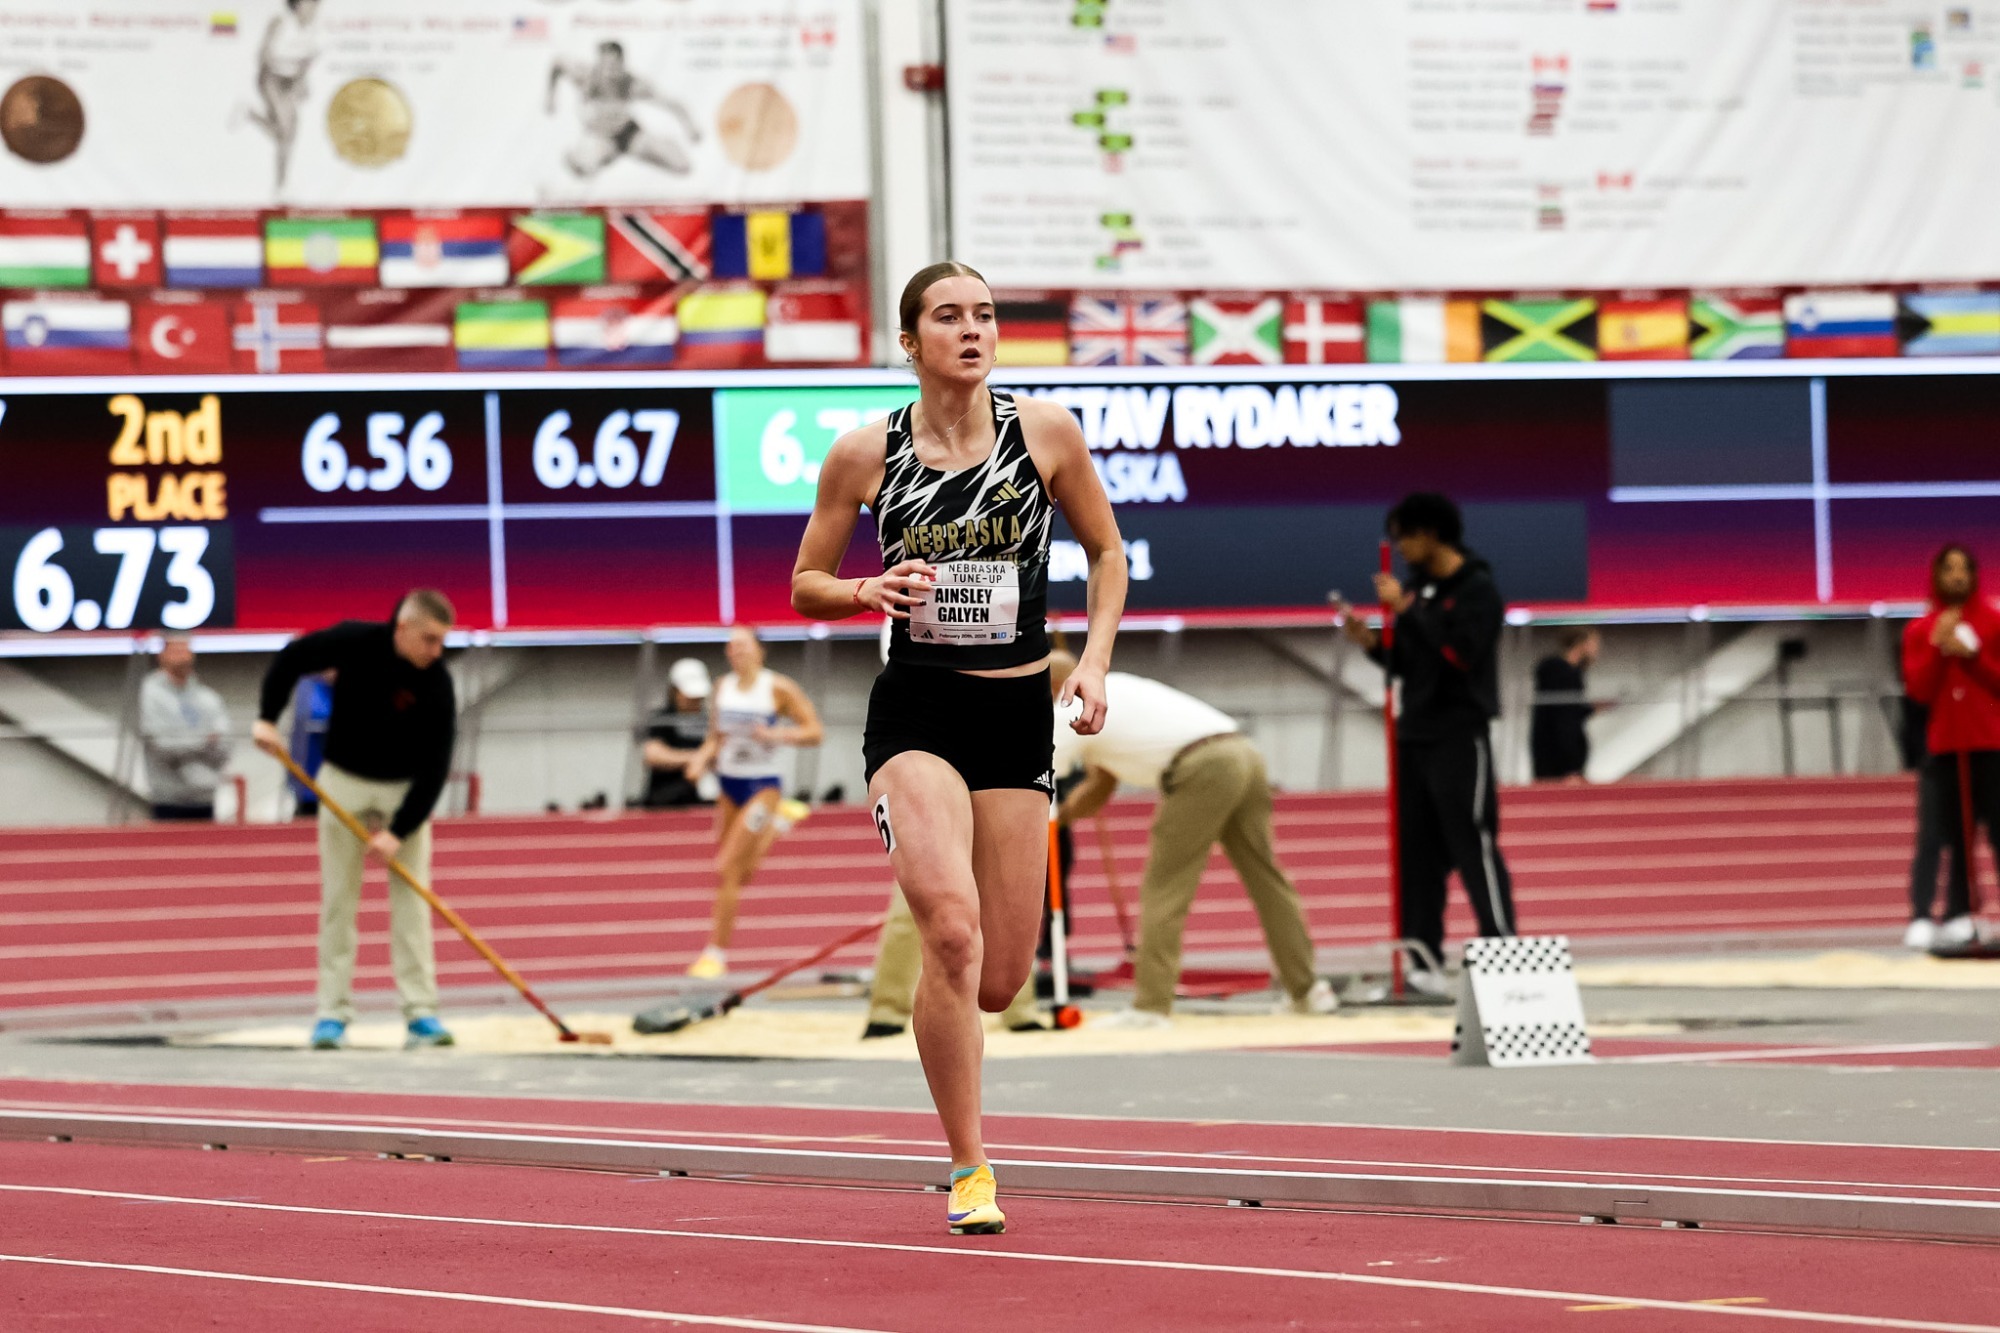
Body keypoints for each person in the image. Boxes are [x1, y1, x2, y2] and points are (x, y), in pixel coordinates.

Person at [790, 260, 1125, 1236]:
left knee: (996, 977)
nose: (972, 330)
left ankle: (952, 1043)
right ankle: (969, 1164)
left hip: (1016, 713)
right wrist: (860, 592)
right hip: (916, 713)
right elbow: (807, 577)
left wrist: (1093, 663)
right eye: (948, 316)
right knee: (947, 927)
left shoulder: (1045, 433)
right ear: (910, 341)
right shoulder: (864, 453)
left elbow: (1105, 551)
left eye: (984, 315)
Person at [1048, 654, 1334, 1027]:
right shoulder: (1116, 685)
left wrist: (1046, 822)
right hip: (1242, 752)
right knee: (1267, 878)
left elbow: (1043, 769)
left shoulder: (1068, 707)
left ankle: (1150, 1007)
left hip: (1201, 768)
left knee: (1165, 885)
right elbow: (1101, 784)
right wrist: (1066, 816)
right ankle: (1308, 990)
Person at [252, 590, 459, 1052]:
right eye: (428, 639)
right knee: (339, 902)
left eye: (441, 641)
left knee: (413, 904)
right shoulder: (354, 641)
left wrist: (397, 832)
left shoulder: (437, 682)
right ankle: (332, 1014)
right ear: (402, 628)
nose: (436, 651)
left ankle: (421, 1013)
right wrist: (267, 717)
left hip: (404, 788)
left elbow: (436, 765)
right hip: (343, 780)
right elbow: (291, 658)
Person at [1338, 492, 1516, 997]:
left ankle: (1503, 952)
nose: (1399, 548)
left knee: (1473, 844)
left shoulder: (1477, 589)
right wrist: (1372, 643)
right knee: (1416, 855)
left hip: (1460, 733)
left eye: (1405, 537)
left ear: (1431, 533)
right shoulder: (1420, 590)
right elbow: (1413, 665)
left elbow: (1461, 655)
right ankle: (1422, 960)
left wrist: (1409, 609)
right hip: (1415, 732)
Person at [682, 626, 823, 979]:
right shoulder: (722, 688)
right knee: (740, 873)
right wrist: (701, 759)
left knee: (725, 868)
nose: (736, 652)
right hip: (729, 785)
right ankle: (778, 825)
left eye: (742, 645)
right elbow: (716, 737)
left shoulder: (777, 688)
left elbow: (814, 732)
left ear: (759, 650)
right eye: (730, 647)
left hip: (763, 784)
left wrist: (774, 734)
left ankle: (715, 953)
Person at [1901, 544, 2000, 950]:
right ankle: (1944, 912)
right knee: (1946, 834)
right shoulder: (1920, 630)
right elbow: (1919, 690)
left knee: (1999, 831)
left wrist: (1973, 656)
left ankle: (1975, 910)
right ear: (1937, 576)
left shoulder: (1993, 623)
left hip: (1991, 744)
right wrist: (1940, 652)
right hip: (1945, 748)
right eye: (1948, 570)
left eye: (1964, 570)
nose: (1957, 577)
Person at [547, 41, 701, 178]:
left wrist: (690, 127)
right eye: (605, 65)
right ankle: (598, 156)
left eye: (614, 66)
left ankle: (664, 144)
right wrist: (550, 98)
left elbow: (671, 103)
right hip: (599, 137)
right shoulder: (585, 75)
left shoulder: (632, 84)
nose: (609, 72)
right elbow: (557, 63)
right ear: (598, 63)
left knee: (682, 167)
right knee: (582, 170)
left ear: (622, 63)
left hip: (627, 133)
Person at [139, 638, 231, 822]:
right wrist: (203, 741)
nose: (183, 657)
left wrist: (187, 743)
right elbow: (162, 745)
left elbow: (225, 744)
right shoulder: (149, 695)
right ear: (162, 656)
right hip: (167, 799)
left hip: (205, 797)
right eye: (176, 651)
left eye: (186, 650)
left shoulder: (208, 698)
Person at [244, 0, 320, 191]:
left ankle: (250, 115)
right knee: (286, 130)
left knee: (288, 135)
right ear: (297, 5)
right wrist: (279, 86)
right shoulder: (280, 22)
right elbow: (263, 55)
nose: (313, 9)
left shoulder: (313, 29)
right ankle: (281, 186)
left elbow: (308, 60)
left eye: (316, 5)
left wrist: (300, 82)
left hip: (291, 81)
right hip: (271, 78)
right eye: (309, 4)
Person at [638, 658, 713, 810]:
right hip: (664, 801)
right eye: (689, 696)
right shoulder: (662, 718)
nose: (694, 701)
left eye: (698, 697)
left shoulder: (710, 722)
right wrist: (696, 757)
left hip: (702, 801)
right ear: (674, 691)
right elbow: (653, 754)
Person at [1530, 628, 1600, 783]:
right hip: (1558, 763)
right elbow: (1563, 720)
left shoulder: (1565, 674)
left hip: (1556, 758)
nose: (1597, 650)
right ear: (1581, 644)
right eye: (1594, 644)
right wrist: (1571, 766)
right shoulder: (1562, 674)